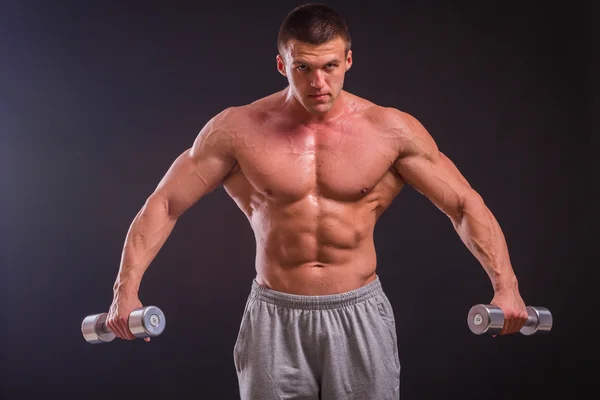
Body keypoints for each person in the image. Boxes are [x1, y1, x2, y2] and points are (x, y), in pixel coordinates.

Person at [105, 3, 529, 399]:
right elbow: (164, 204)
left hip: (359, 312)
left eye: (329, 66)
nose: (318, 83)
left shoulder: (390, 131)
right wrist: (125, 292)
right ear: (281, 65)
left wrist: (506, 288)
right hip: (274, 317)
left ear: (348, 60)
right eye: (303, 68)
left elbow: (463, 205)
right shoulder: (236, 130)